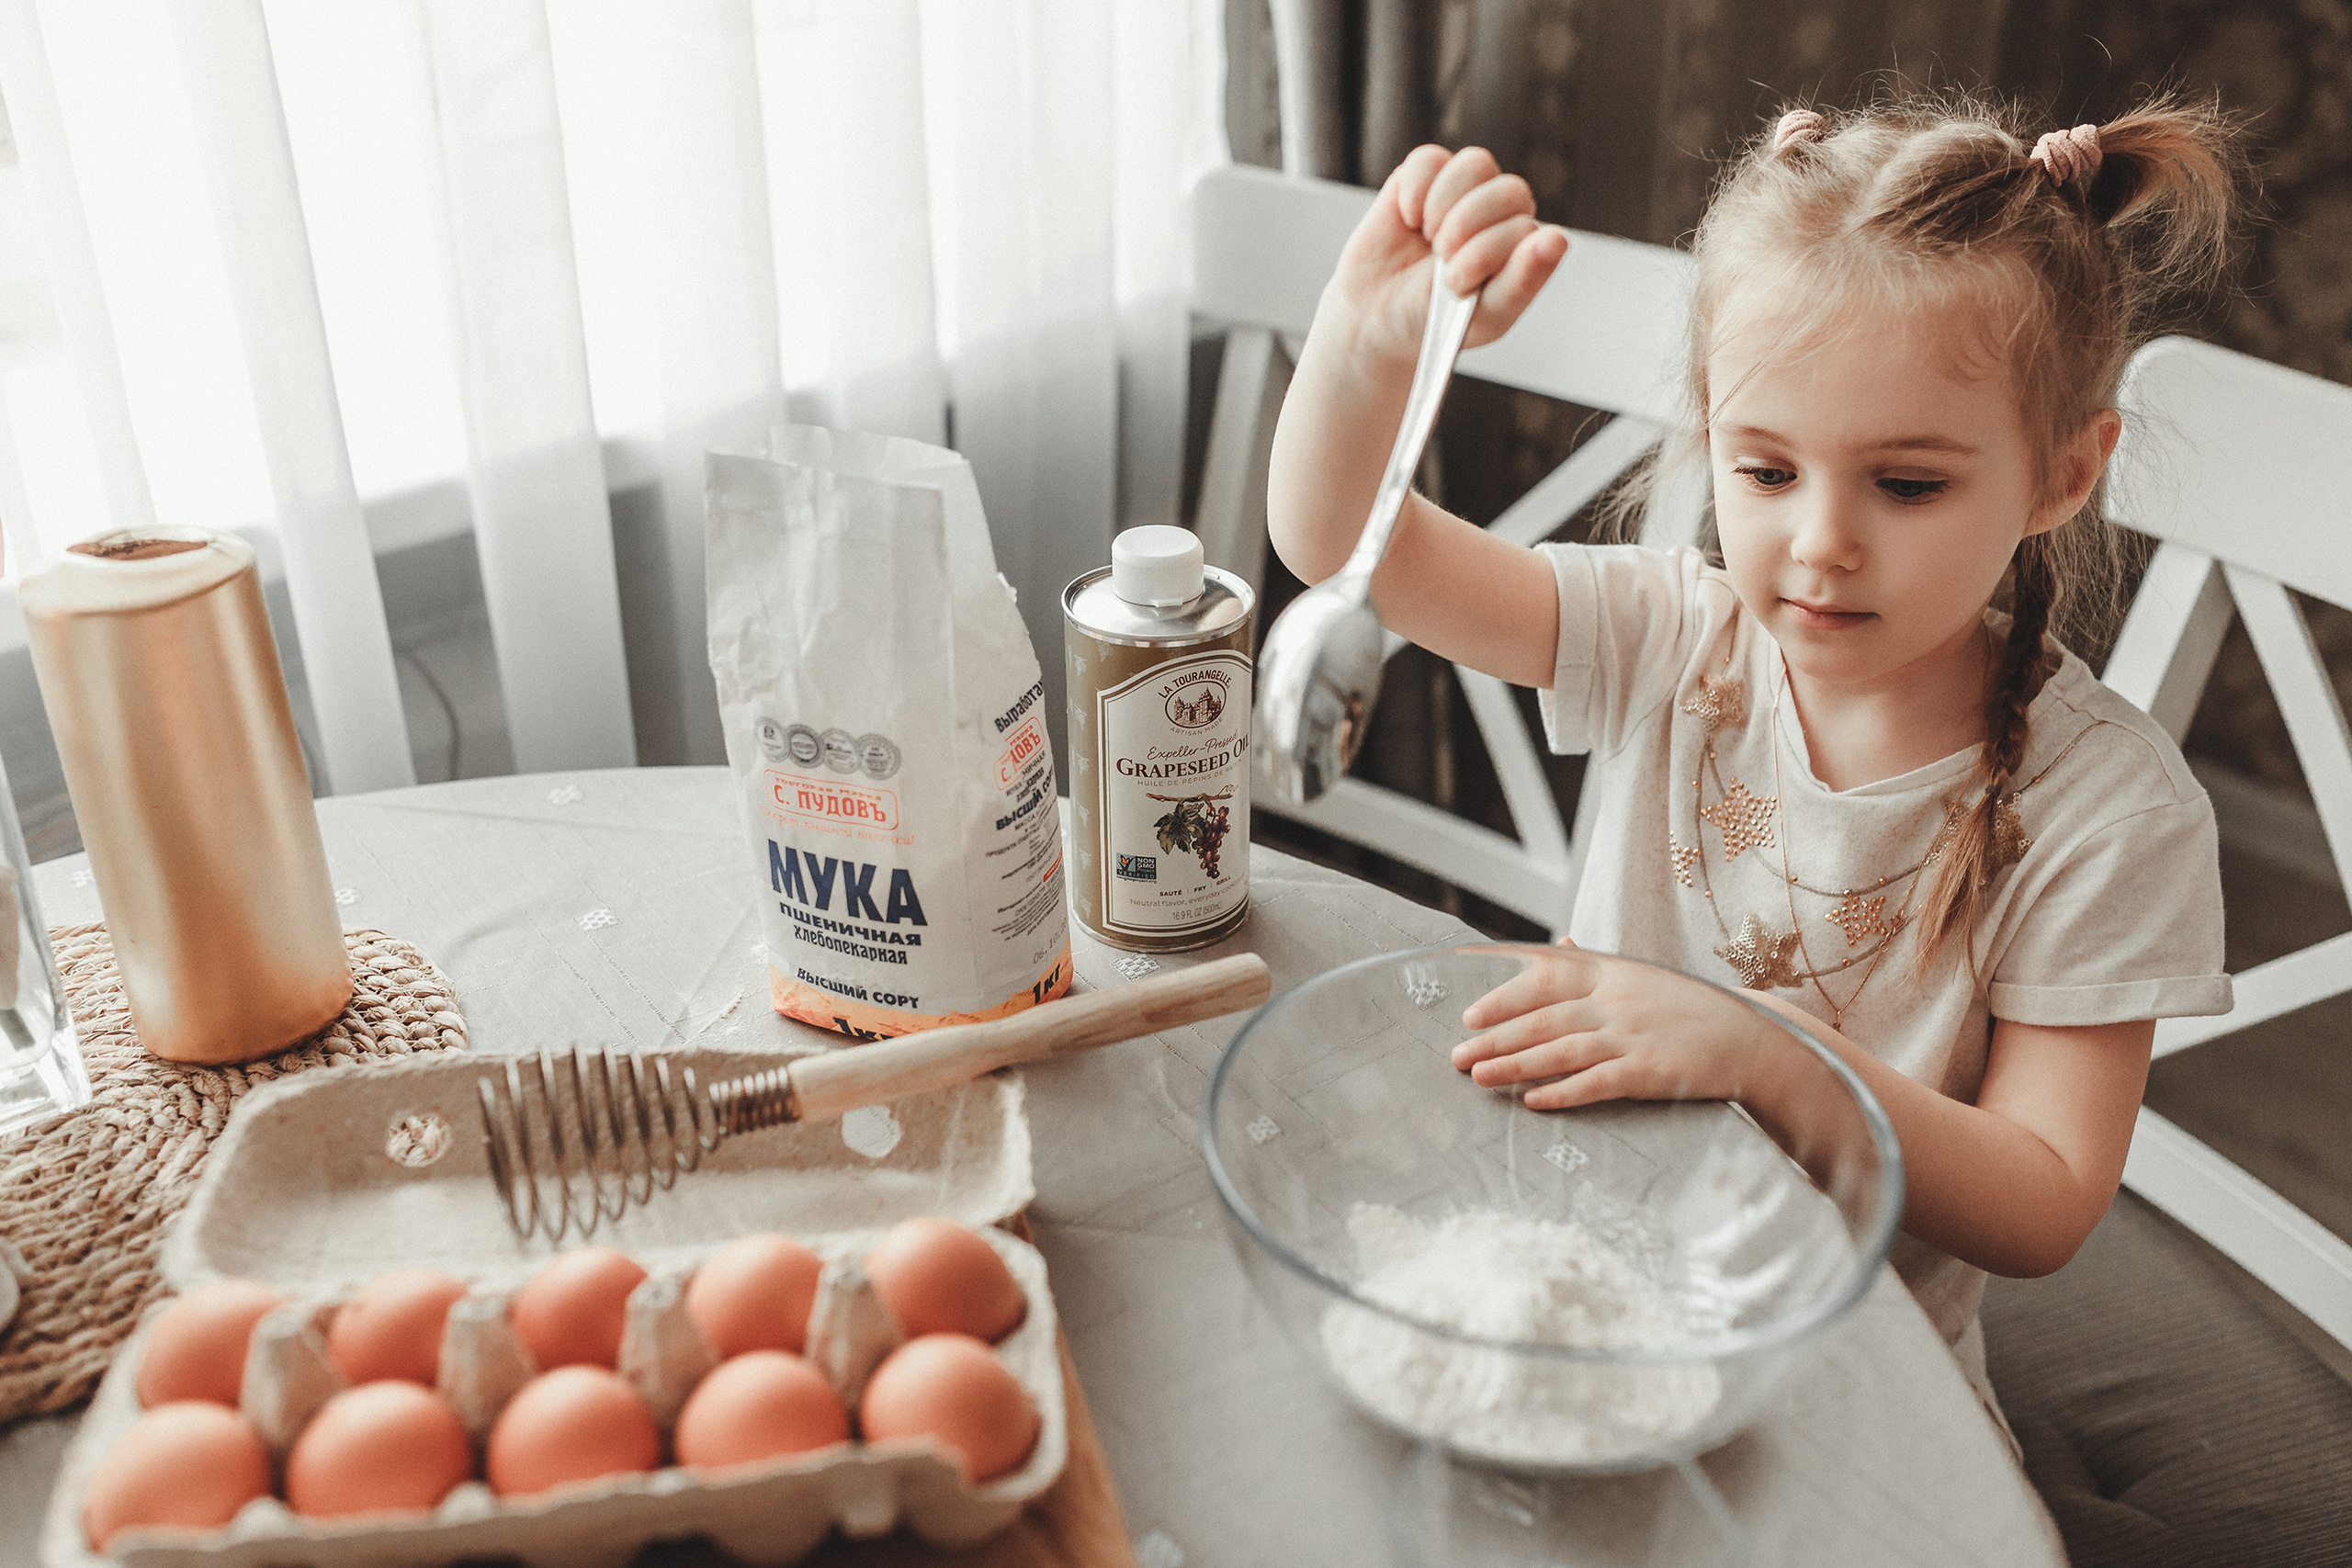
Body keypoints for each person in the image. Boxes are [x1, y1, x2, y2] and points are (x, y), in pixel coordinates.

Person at [1265, 93, 2244, 1438]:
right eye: (1768, 471)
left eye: (1906, 485)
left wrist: (1763, 1052)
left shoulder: (2109, 812)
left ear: (2063, 474)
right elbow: (1342, 547)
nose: (1820, 542)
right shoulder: (1675, 632)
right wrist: (1367, 349)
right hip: (1567, 1259)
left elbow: (2043, 1199)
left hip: (1847, 1374)